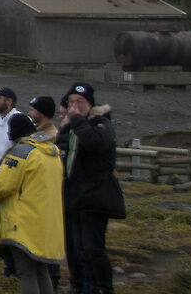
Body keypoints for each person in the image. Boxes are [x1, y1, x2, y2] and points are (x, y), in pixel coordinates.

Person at [56, 83, 124, 294]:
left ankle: (103, 287)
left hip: (95, 197)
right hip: (73, 197)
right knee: (74, 249)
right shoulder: (69, 128)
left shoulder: (101, 123)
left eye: (80, 102)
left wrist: (76, 120)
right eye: (71, 102)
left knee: (93, 249)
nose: (75, 106)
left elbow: (95, 143)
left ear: (90, 104)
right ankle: (80, 285)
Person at [0, 113, 65, 294]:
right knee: (41, 270)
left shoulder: (20, 153)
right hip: (45, 225)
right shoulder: (51, 152)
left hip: (23, 224)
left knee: (26, 273)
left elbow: (1, 187)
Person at [0, 87, 23, 279]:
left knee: (14, 224)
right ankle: (8, 265)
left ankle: (17, 267)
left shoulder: (18, 120)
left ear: (9, 101)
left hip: (14, 179)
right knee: (0, 224)